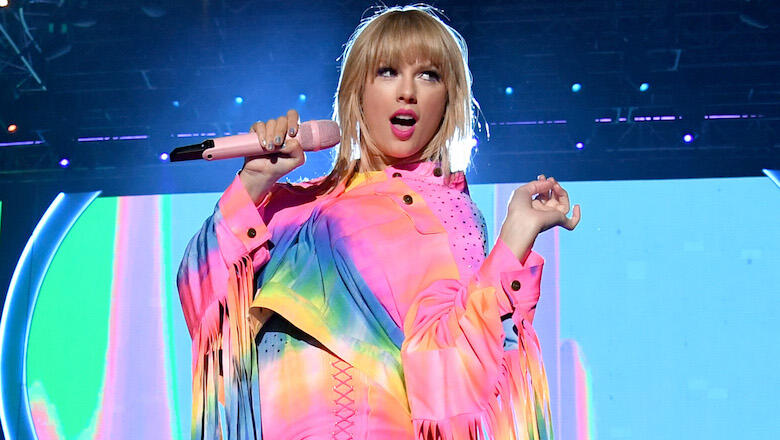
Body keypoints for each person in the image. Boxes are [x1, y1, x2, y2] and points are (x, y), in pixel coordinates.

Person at [177, 5, 580, 440]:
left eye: (429, 75)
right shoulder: (292, 206)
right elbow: (206, 304)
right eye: (388, 71)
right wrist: (254, 181)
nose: (407, 91)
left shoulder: (446, 212)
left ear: (448, 100)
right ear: (357, 91)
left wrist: (514, 239)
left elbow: (451, 373)